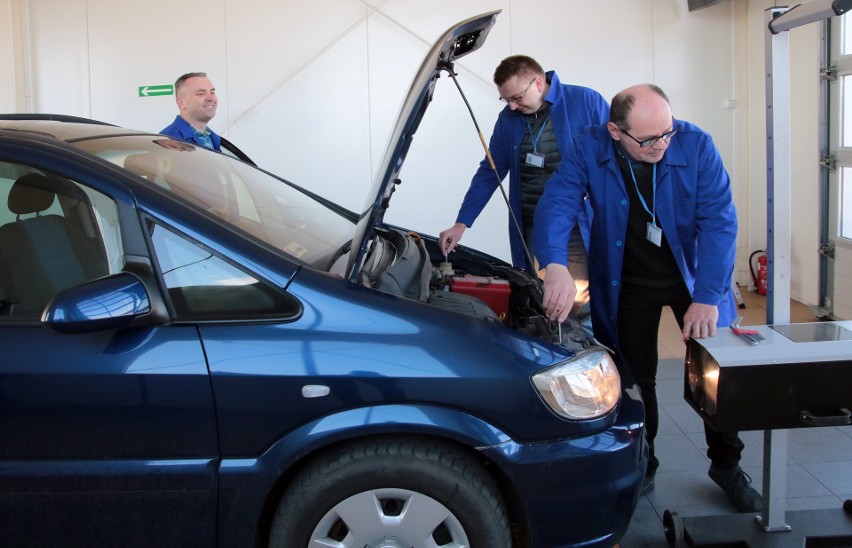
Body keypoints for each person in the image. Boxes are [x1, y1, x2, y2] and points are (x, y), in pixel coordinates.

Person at [533, 84, 763, 513]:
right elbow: (558, 203)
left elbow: (719, 220)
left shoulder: (696, 145)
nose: (661, 145)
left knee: (718, 373)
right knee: (637, 378)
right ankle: (646, 462)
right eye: (648, 139)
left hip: (693, 277)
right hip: (627, 279)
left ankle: (727, 465)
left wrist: (709, 294)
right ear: (616, 131)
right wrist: (555, 264)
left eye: (667, 133)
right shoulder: (589, 146)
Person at [438, 55, 609, 328]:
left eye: (517, 98)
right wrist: (462, 223)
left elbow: (612, 154)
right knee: (537, 295)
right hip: (529, 225)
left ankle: (582, 359)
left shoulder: (586, 102)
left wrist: (598, 190)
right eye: (506, 100)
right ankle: (549, 356)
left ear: (538, 83)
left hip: (575, 227)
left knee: (575, 302)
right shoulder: (508, 120)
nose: (513, 106)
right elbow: (489, 172)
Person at [160, 72, 221, 151]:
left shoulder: (211, 138)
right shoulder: (170, 142)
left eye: (212, 92)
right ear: (181, 103)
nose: (210, 98)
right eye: (201, 93)